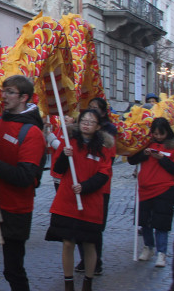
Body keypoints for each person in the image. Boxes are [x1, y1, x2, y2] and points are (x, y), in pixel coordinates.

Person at [0, 74, 45, 291]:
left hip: (16, 210)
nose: (3, 96)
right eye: (3, 91)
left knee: (12, 270)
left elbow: (25, 177)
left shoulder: (32, 132)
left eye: (9, 92)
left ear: (24, 97)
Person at [45, 109, 114, 291]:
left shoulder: (103, 148)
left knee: (89, 243)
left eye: (91, 122)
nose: (86, 124)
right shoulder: (70, 142)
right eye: (84, 120)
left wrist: (85, 187)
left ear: (98, 126)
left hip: (90, 202)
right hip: (68, 200)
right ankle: (68, 282)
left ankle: (88, 282)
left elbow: (104, 174)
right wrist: (64, 156)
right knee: (68, 243)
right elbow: (58, 169)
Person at [129, 117, 174, 269]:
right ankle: (148, 247)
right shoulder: (146, 144)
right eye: (155, 133)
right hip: (145, 189)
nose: (158, 137)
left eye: (161, 134)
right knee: (145, 221)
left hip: (165, 189)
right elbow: (131, 160)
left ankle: (162, 252)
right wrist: (144, 154)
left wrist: (161, 159)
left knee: (161, 223)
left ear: (167, 132)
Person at [74, 97, 117, 275]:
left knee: (95, 226)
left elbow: (107, 165)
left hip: (99, 189)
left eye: (96, 109)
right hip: (78, 186)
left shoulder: (107, 137)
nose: (92, 111)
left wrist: (89, 184)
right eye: (89, 108)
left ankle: (95, 260)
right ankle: (84, 258)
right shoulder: (76, 137)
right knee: (77, 224)